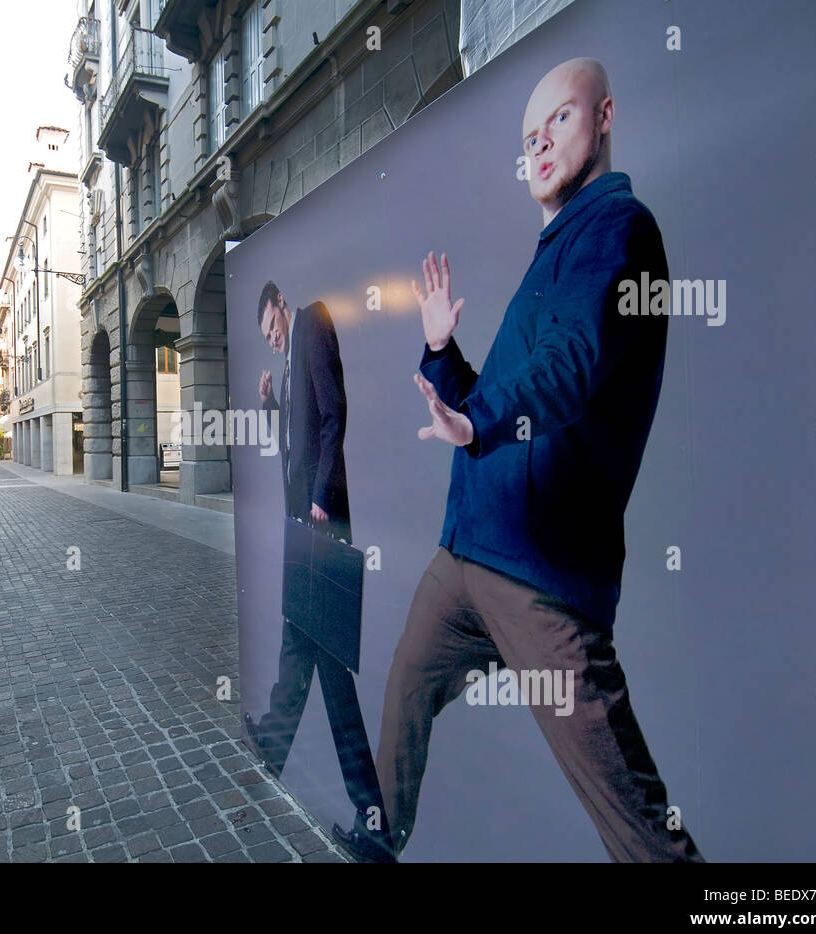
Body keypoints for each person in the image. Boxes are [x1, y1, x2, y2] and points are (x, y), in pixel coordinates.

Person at [373, 58, 703, 862]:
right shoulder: (555, 245)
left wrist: (477, 417)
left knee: (633, 820)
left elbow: (571, 367)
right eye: (529, 135)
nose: (541, 144)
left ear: (604, 115)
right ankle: (376, 840)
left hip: (540, 577)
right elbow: (501, 399)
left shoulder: (619, 233)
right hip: (468, 552)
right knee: (405, 692)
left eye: (559, 119)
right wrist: (445, 355)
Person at [245, 281, 396, 863]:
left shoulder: (312, 321)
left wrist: (318, 499)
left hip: (320, 525)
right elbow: (298, 434)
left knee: (329, 671)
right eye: (267, 336)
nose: (274, 336)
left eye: (273, 326)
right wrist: (271, 408)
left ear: (283, 305)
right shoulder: (288, 357)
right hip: (303, 529)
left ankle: (375, 826)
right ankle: (274, 746)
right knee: (299, 644)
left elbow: (335, 415)